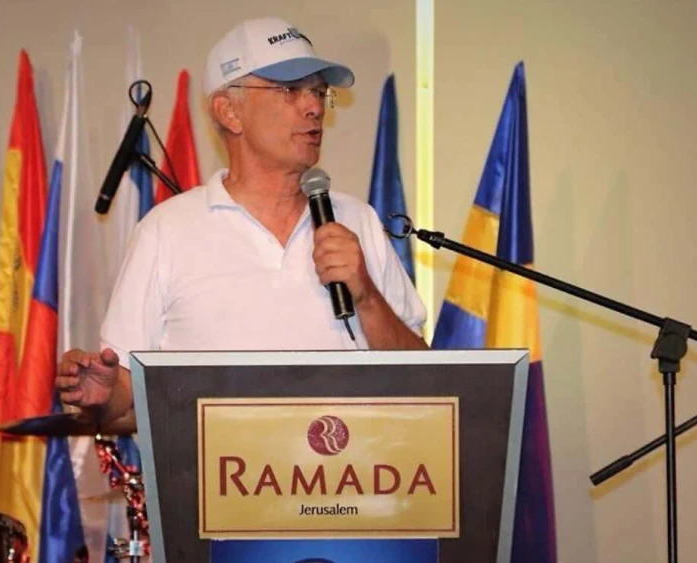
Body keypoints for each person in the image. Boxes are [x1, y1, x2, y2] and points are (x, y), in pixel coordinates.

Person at [56, 16, 428, 424]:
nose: (314, 107)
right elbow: (123, 393)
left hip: (349, 481)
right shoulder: (166, 231)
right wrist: (101, 396)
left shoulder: (358, 220)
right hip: (218, 485)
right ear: (228, 111)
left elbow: (429, 383)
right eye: (290, 90)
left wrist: (368, 299)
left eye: (319, 92)